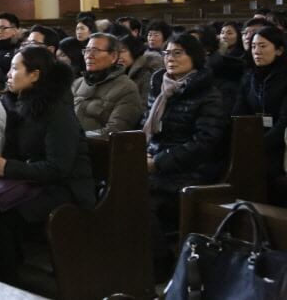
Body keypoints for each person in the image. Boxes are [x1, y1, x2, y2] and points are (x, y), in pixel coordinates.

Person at [0, 46, 95, 286]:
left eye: (15, 69)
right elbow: (18, 153)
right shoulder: (19, 106)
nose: (8, 74)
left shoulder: (57, 112)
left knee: (4, 218)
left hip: (67, 190)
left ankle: (10, 284)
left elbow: (59, 167)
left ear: (35, 75)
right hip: (36, 184)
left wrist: (8, 167)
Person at [143, 34, 226, 278]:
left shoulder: (208, 94)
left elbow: (205, 143)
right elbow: (147, 126)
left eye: (178, 53)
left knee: (139, 199)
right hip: (157, 162)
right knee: (112, 188)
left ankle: (161, 263)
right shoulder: (160, 86)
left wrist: (158, 163)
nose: (170, 58)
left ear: (195, 57)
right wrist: (143, 152)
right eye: (167, 53)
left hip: (191, 170)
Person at [232, 26, 287, 196]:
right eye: (254, 46)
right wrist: (242, 140)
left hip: (279, 144)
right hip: (254, 139)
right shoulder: (249, 76)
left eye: (263, 46)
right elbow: (239, 112)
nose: (256, 51)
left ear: (279, 50)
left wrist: (258, 145)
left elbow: (284, 121)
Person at [72, 33, 143, 136]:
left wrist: (77, 139)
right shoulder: (77, 84)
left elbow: (114, 131)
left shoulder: (126, 88)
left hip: (96, 145)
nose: (89, 56)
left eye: (95, 51)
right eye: (87, 50)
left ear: (113, 56)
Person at [118, 34, 163, 102]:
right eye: (116, 52)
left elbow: (145, 104)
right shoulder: (115, 73)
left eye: (122, 51)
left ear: (134, 50)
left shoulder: (146, 73)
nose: (119, 56)